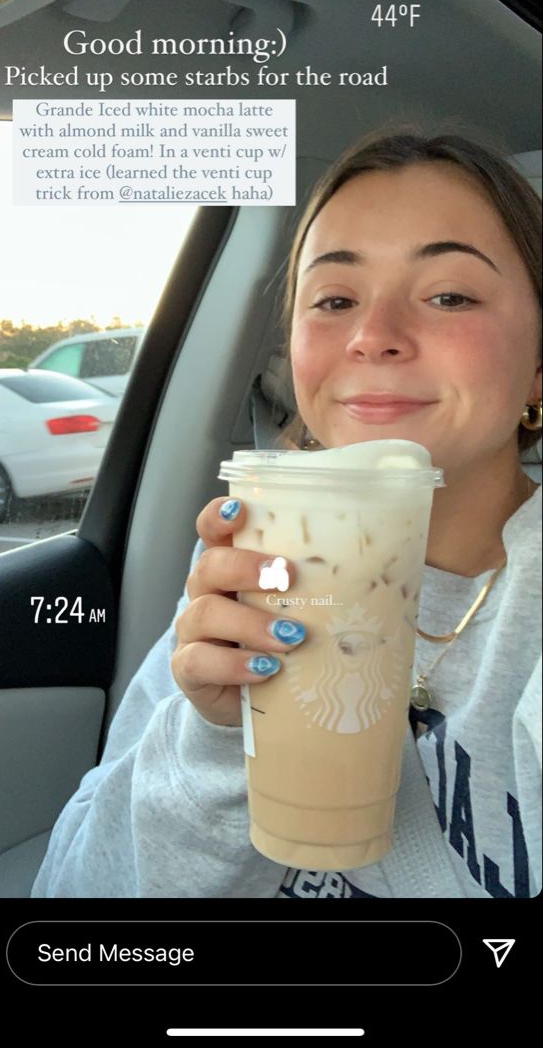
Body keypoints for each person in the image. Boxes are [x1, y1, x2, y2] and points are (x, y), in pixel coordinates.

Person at [31, 130, 542, 899]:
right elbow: (73, 898)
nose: (371, 338)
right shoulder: (255, 575)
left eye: (448, 295)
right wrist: (213, 738)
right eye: (334, 300)